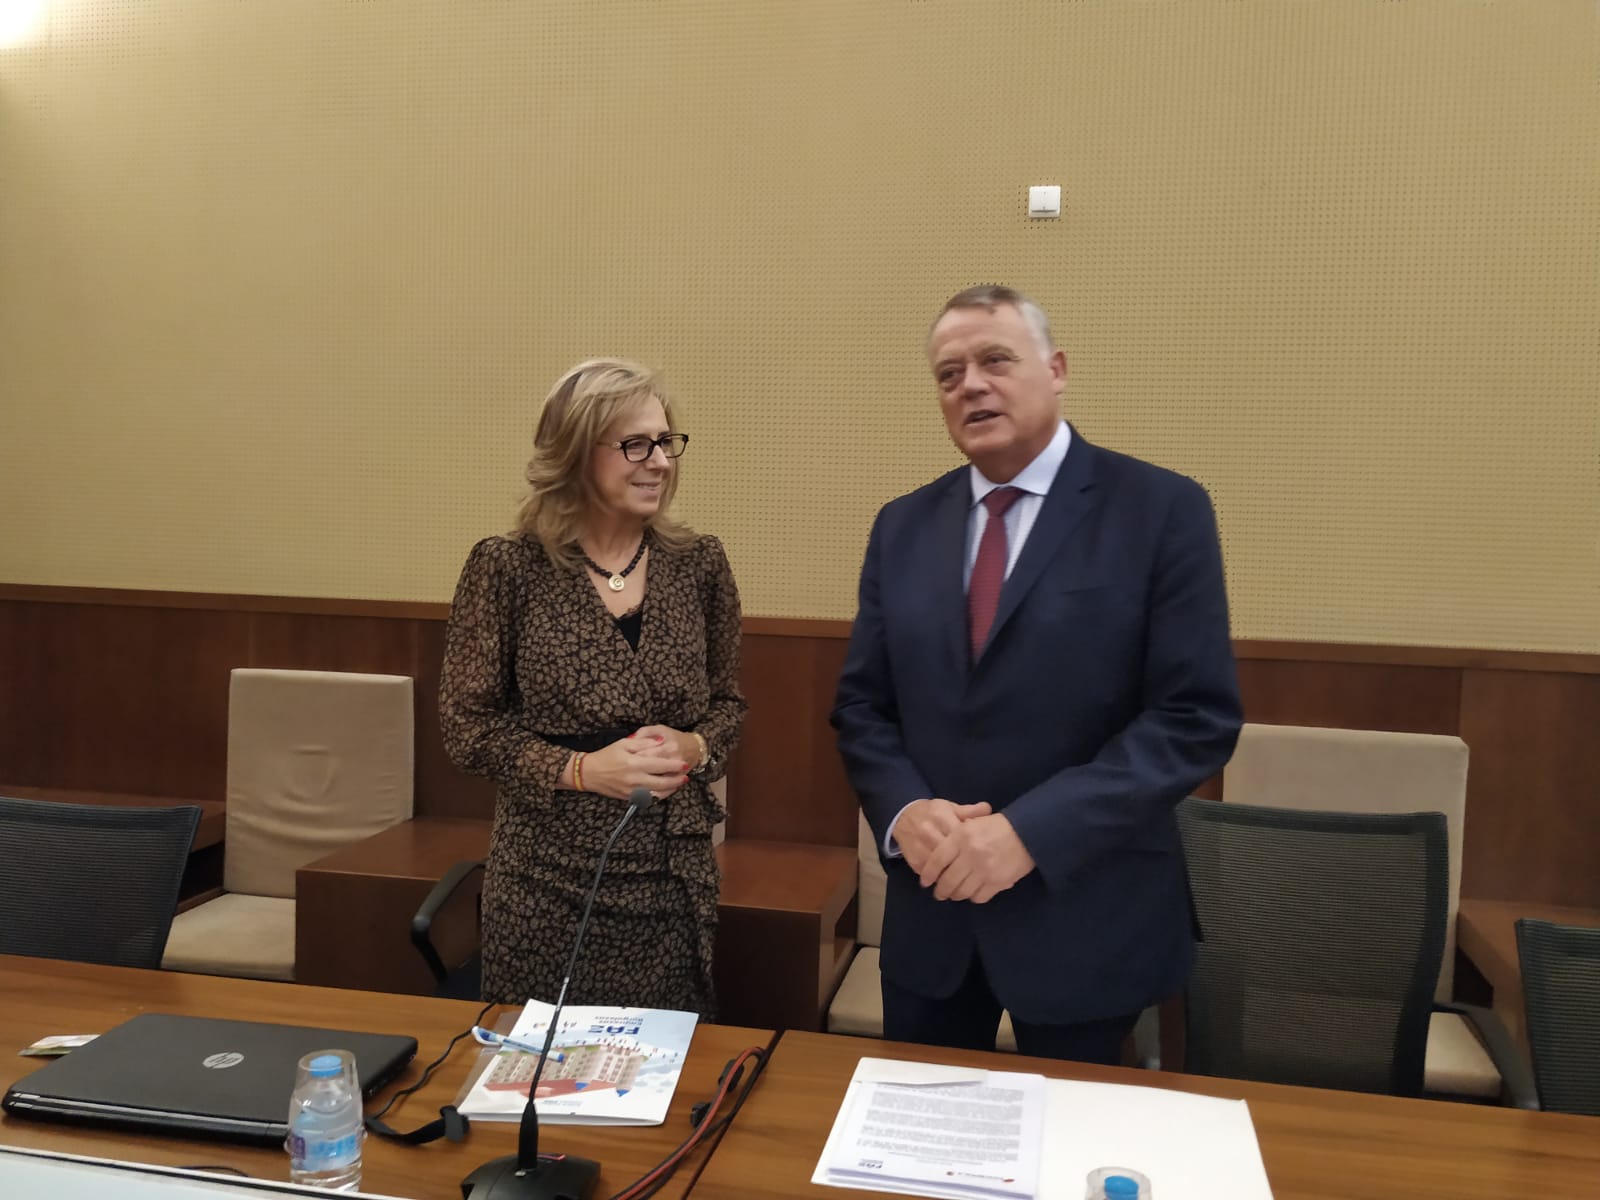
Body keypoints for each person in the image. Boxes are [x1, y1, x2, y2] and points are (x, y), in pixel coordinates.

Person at [831, 285, 1242, 1064]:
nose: (971, 385)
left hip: (1089, 913)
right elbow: (862, 707)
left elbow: (1194, 717)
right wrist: (904, 812)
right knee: (922, 1161)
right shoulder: (902, 526)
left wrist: (1028, 832)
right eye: (949, 374)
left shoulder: (1160, 509)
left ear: (1056, 370)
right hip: (934, 918)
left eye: (995, 360)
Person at [440, 358, 745, 1015]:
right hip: (545, 884)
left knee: (660, 1085)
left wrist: (695, 749)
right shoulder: (508, 568)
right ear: (576, 452)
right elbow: (467, 730)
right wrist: (582, 769)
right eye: (637, 444)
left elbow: (728, 708)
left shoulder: (699, 566)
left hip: (670, 882)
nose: (659, 461)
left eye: (667, 442)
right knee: (540, 1085)